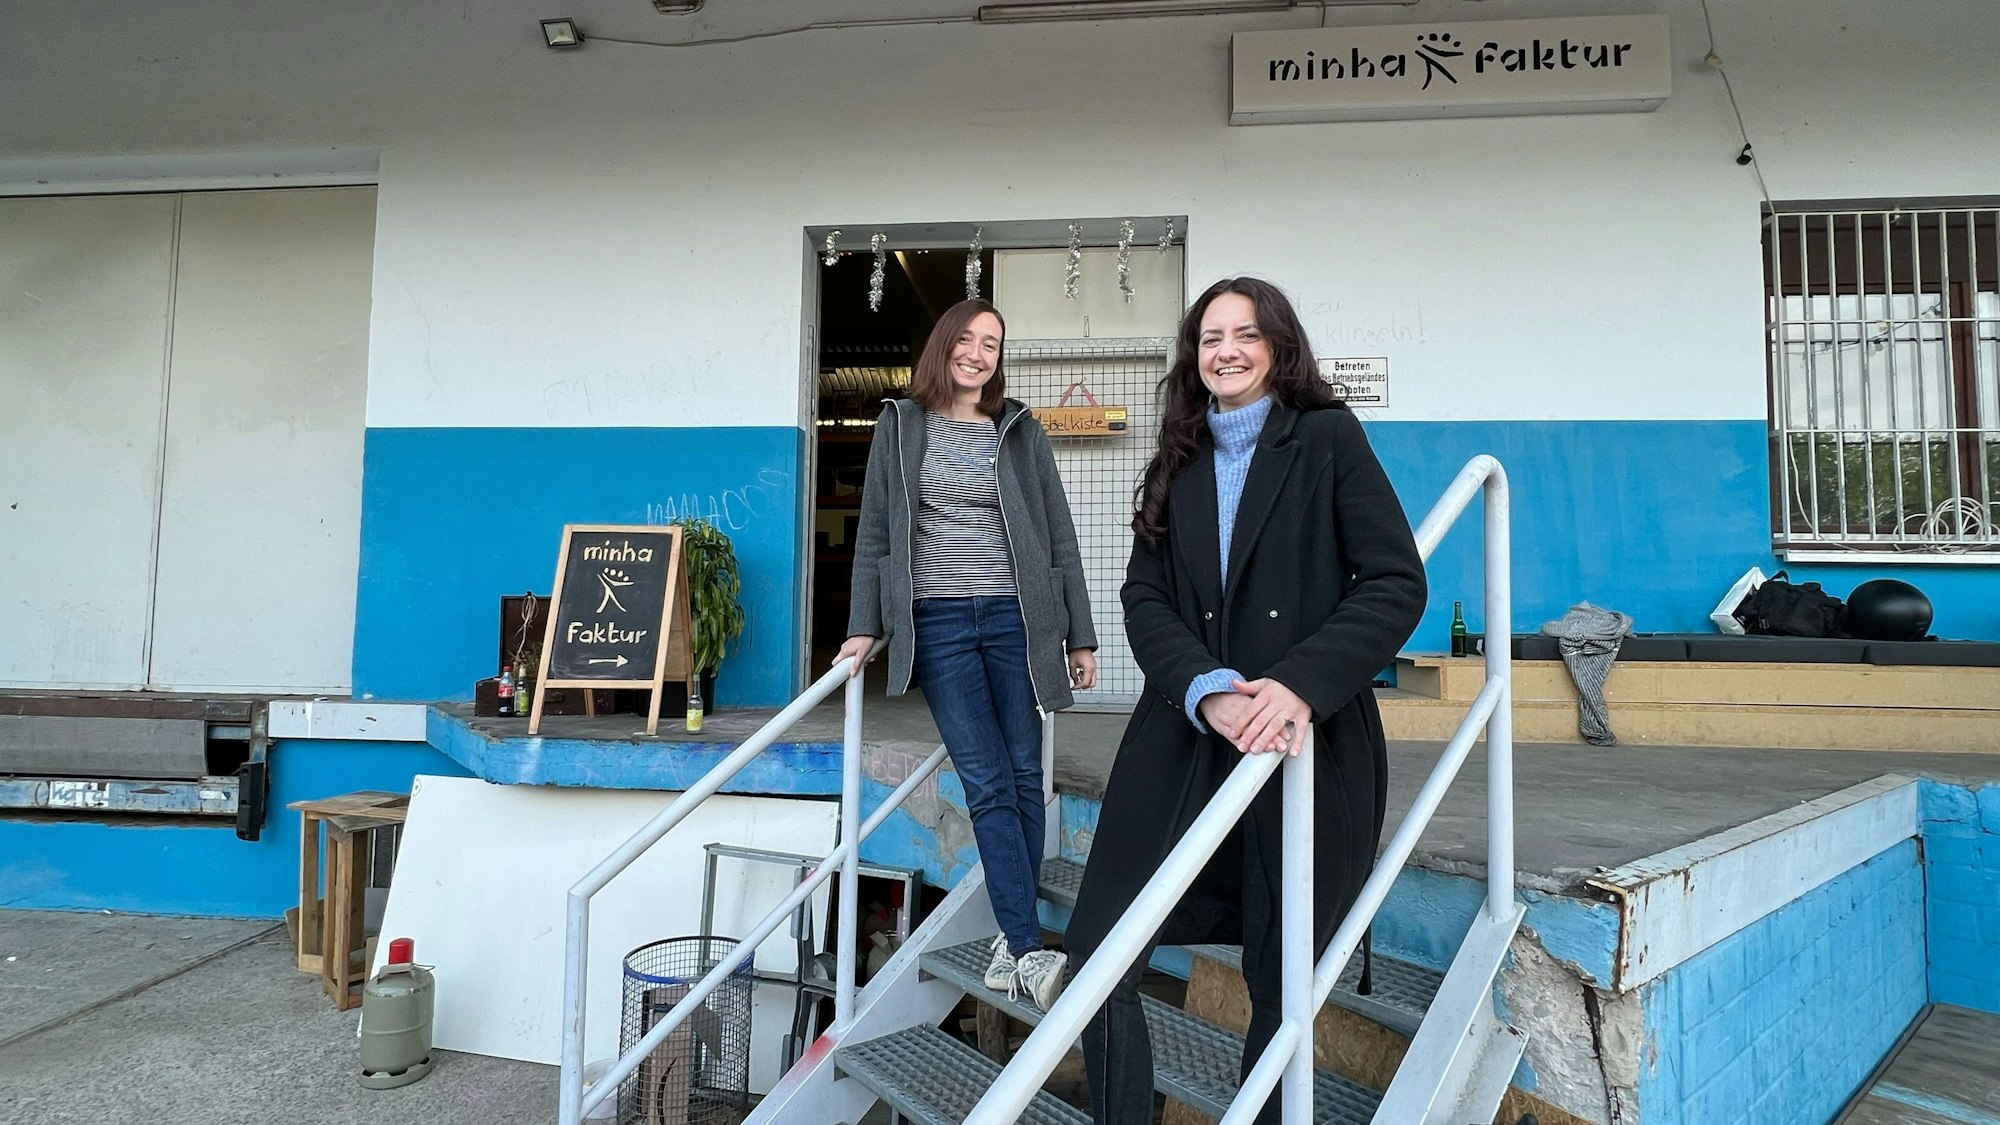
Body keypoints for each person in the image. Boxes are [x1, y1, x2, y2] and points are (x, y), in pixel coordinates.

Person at [1066, 278, 1426, 1125]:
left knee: (1277, 969)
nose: (1225, 350)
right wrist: (1203, 687)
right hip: (1186, 730)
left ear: (1278, 346)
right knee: (1098, 949)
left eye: (1245, 334)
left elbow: (1394, 583)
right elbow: (1142, 597)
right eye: (1209, 337)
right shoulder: (1177, 455)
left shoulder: (1328, 438)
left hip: (1300, 738)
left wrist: (1298, 682)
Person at [837, 297, 1099, 1009]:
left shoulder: (1018, 430)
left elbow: (1059, 534)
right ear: (944, 343)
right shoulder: (901, 425)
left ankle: (1011, 940)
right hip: (941, 623)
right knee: (985, 778)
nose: (979, 352)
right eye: (968, 338)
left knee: (1021, 772)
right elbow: (875, 536)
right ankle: (1026, 946)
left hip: (1018, 619)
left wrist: (1079, 632)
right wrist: (865, 626)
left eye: (993, 342)